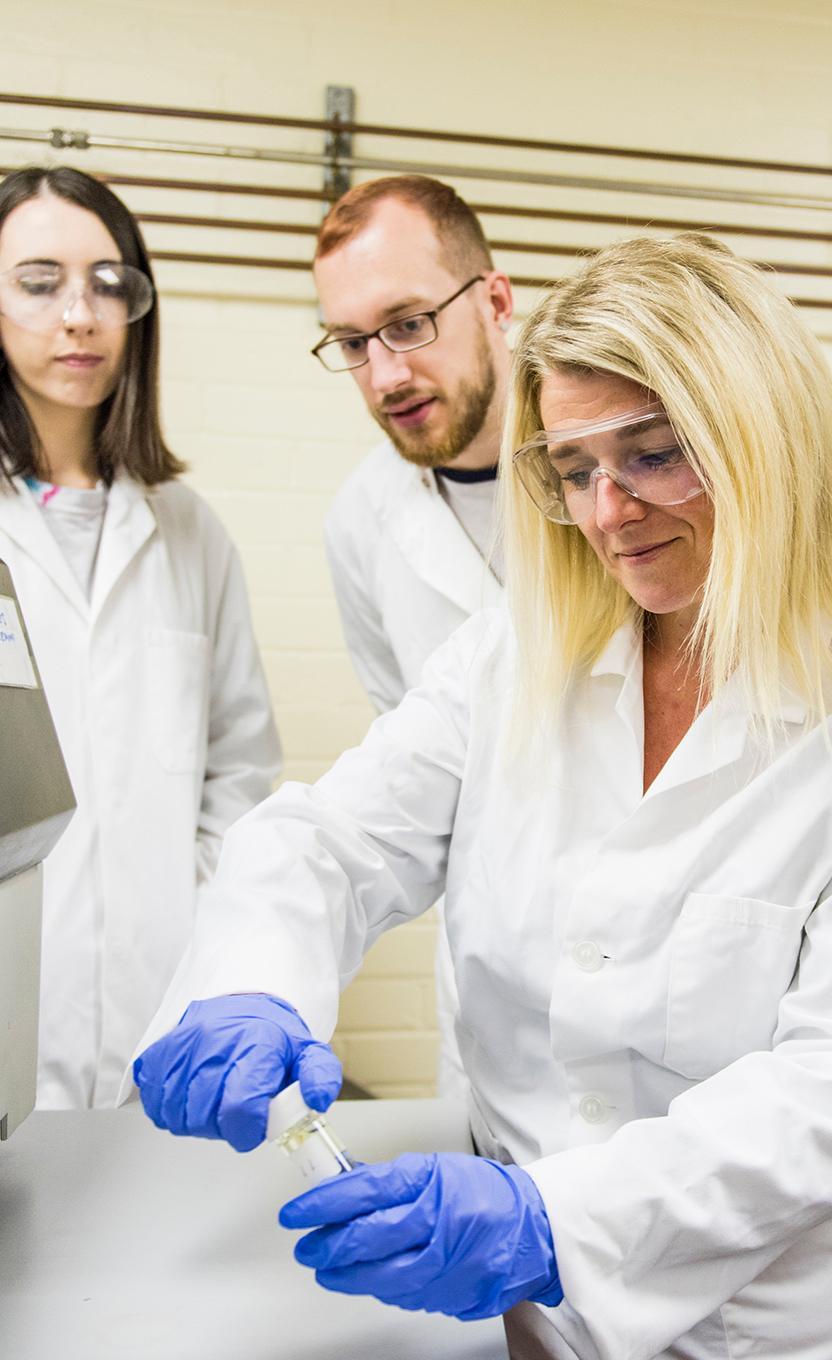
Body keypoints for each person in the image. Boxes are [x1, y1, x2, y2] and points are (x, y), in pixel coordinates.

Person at [132, 233, 832, 1360]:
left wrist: (555, 1218)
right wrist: (246, 985)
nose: (605, 514)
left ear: (766, 445)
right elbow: (336, 842)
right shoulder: (511, 657)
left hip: (772, 1327)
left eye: (651, 453)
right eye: (574, 468)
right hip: (530, 1324)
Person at [0, 166, 280, 1109]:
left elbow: (239, 770)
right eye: (38, 282)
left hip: (156, 1013)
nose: (78, 315)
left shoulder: (188, 530)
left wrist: (198, 924)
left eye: (108, 283)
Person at [312, 175, 513, 1095]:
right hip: (493, 981)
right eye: (353, 342)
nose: (385, 373)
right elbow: (415, 760)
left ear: (496, 301)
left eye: (407, 323)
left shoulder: (621, 459)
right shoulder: (361, 519)